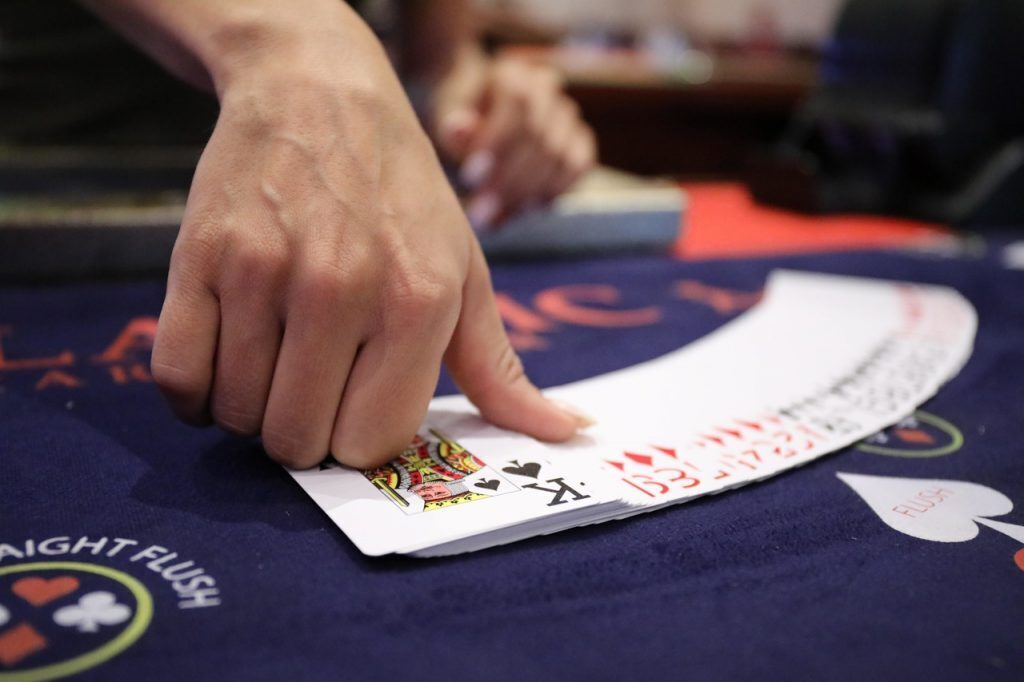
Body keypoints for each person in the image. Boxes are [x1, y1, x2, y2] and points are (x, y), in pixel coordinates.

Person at [72, 0, 597, 469]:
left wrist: (470, 98)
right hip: (67, 168)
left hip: (354, 166)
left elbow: (439, 63)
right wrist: (280, 36)